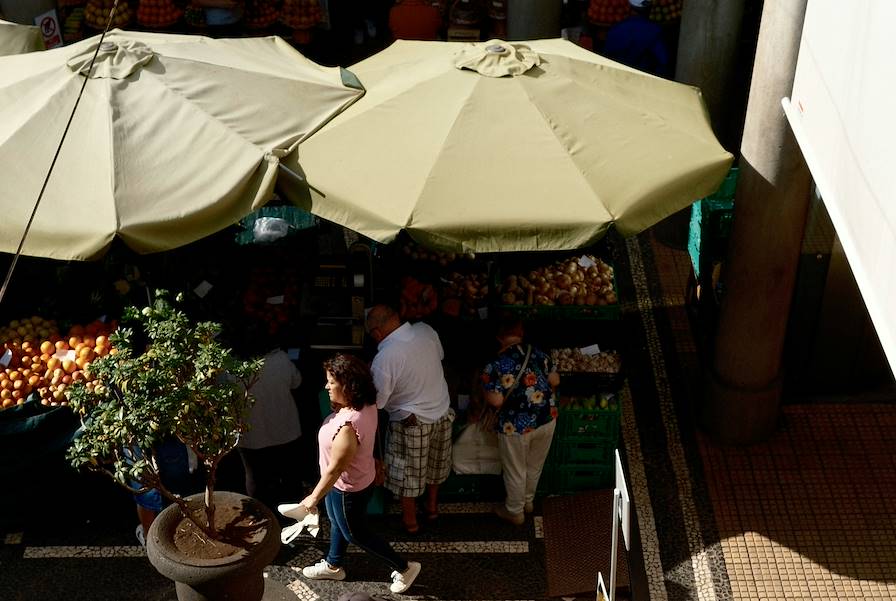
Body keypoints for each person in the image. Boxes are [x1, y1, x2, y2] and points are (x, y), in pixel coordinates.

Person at [298, 354, 422, 594]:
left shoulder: (348, 426)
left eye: (331, 382)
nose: (326, 387)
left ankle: (404, 568)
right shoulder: (366, 404)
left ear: (347, 385)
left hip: (346, 489)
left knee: (356, 534)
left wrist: (312, 498)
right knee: (337, 523)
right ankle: (333, 565)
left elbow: (335, 470)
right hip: (357, 479)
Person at [365, 304, 455, 535]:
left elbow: (379, 402)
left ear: (376, 332)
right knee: (436, 465)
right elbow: (440, 357)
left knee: (409, 475)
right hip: (442, 411)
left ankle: (410, 522)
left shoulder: (385, 357)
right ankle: (432, 508)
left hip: (412, 421)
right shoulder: (426, 330)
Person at [480, 316, 559, 526]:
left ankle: (515, 511)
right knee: (534, 466)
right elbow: (555, 380)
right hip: (546, 418)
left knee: (516, 470)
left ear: (498, 337)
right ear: (521, 333)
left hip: (514, 426)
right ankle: (528, 502)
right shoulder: (538, 353)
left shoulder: (495, 365)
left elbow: (496, 400)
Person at [237, 335, 304, 519]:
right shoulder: (280, 358)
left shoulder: (232, 367)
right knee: (288, 475)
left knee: (256, 478)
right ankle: (292, 518)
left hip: (252, 434)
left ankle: (262, 519)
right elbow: (296, 382)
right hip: (285, 430)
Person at [602, 0, 671, 78]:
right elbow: (663, 61)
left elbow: (606, 57)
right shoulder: (655, 30)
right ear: (650, 8)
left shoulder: (615, 29)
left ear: (629, 7)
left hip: (617, 76)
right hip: (643, 79)